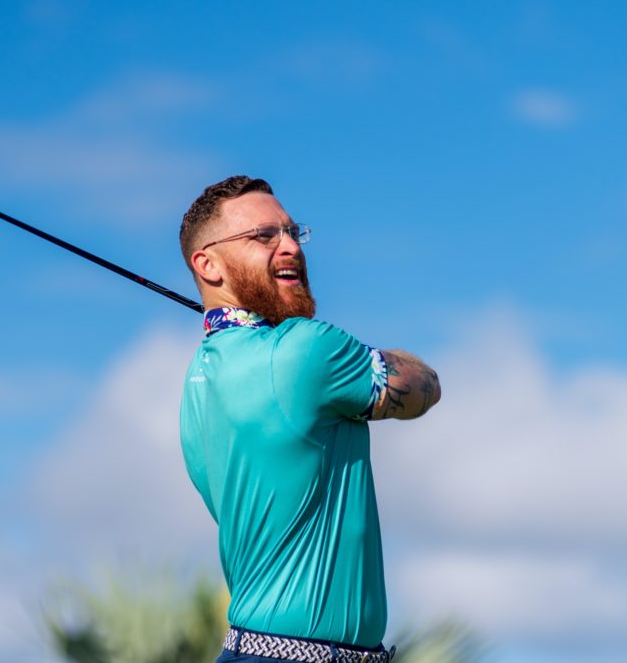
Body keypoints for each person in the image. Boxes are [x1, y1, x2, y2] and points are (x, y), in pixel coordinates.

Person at [178, 176, 441, 663]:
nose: (290, 247)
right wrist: (374, 356)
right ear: (207, 264)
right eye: (263, 236)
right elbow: (426, 388)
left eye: (294, 232)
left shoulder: (199, 377)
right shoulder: (307, 348)